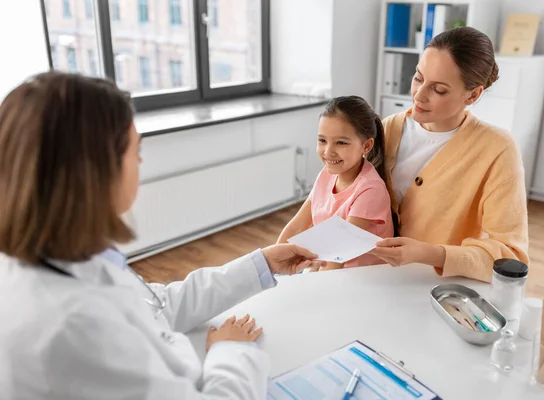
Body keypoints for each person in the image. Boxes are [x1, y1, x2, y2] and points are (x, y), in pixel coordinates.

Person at [0, 72, 323, 399]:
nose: (140, 161)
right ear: (98, 169)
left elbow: (155, 305)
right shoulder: (75, 326)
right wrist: (230, 352)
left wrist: (261, 264)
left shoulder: (60, 257)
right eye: (135, 151)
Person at [371, 27, 529, 283]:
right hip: (372, 277)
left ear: (473, 94)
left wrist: (434, 254)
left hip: (438, 289)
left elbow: (510, 257)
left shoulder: (497, 150)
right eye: (418, 78)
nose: (419, 95)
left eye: (439, 90)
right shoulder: (387, 129)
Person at [277, 96, 394, 270]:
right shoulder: (327, 174)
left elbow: (339, 256)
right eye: (322, 140)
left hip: (359, 277)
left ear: (366, 146)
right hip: (328, 264)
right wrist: (274, 260)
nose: (328, 151)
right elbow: (298, 224)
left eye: (341, 142)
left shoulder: (371, 190)